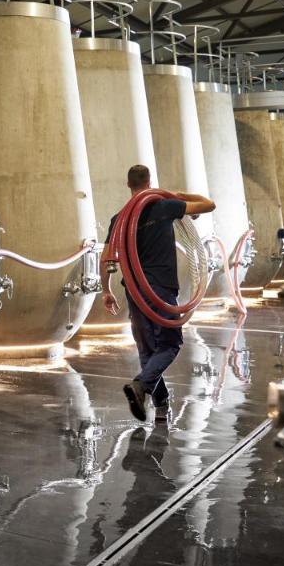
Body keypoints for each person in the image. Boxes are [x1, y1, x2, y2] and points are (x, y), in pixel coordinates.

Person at [101, 164, 216, 422]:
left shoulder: (119, 219)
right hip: (160, 287)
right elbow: (209, 204)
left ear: (128, 184)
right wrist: (176, 194)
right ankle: (141, 385)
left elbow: (106, 257)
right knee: (170, 343)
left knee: (147, 348)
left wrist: (106, 290)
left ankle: (161, 405)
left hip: (134, 289)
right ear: (150, 181)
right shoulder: (164, 207)